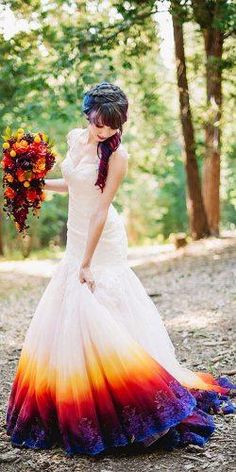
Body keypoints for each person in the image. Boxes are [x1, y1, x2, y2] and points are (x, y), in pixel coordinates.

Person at [5, 81, 235, 457]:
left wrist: (86, 261)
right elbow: (76, 186)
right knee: (72, 311)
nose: (105, 131)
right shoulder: (76, 139)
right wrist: (39, 184)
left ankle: (121, 392)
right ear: (88, 115)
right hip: (77, 233)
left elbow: (99, 207)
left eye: (113, 126)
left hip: (101, 237)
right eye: (99, 123)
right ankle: (80, 390)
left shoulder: (118, 156)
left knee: (99, 307)